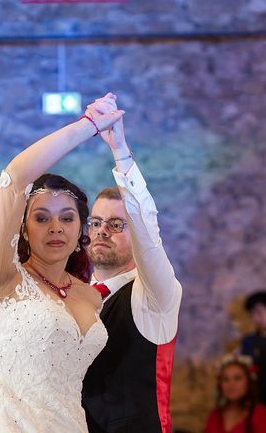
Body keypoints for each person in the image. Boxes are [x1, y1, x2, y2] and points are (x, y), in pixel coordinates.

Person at [0, 93, 125, 432]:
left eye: (67, 218)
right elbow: (14, 177)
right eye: (41, 218)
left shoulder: (90, 296)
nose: (55, 227)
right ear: (23, 230)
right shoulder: (4, 277)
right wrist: (89, 126)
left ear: (82, 228)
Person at [81, 105, 182, 433]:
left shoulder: (155, 296)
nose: (101, 231)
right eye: (95, 222)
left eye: (115, 224)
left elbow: (149, 237)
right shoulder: (76, 297)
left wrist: (120, 152)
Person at [204, 355, 266, 433]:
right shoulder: (214, 415)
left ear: (248, 382)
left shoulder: (262, 415)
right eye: (225, 379)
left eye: (237, 378)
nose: (231, 384)